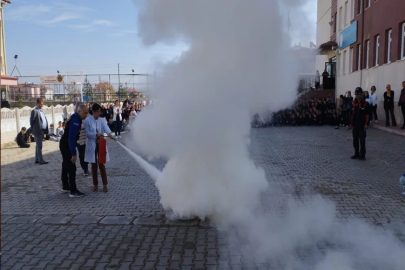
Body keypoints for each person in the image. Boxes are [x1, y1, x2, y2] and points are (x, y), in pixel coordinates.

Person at [59, 104, 89, 197]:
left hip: (64, 144)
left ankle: (65, 186)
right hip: (66, 145)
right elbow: (71, 138)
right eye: (85, 113)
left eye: (87, 113)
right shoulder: (76, 121)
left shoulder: (75, 117)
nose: (86, 115)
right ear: (79, 111)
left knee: (65, 165)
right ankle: (73, 190)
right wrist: (73, 153)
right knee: (72, 168)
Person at [85, 103, 114, 192]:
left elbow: (106, 127)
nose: (99, 114)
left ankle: (105, 184)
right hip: (92, 144)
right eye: (97, 112)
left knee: (101, 164)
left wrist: (109, 133)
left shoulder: (102, 120)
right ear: (93, 112)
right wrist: (96, 134)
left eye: (100, 112)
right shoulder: (88, 120)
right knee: (94, 166)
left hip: (100, 144)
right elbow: (88, 133)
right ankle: (95, 184)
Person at [350, 87, 370, 160]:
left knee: (362, 141)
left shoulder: (365, 104)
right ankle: (356, 154)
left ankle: (362, 155)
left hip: (362, 125)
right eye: (355, 94)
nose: (356, 96)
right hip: (355, 125)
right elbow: (352, 114)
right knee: (355, 140)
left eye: (358, 94)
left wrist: (367, 124)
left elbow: (368, 115)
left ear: (361, 94)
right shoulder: (354, 103)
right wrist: (350, 123)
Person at [30, 98, 49, 165]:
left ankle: (37, 159)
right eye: (40, 104)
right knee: (39, 146)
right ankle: (41, 160)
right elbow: (31, 121)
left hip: (42, 131)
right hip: (37, 131)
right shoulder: (34, 111)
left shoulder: (41, 111)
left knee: (38, 145)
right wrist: (33, 130)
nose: (41, 105)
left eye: (42, 104)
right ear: (37, 104)